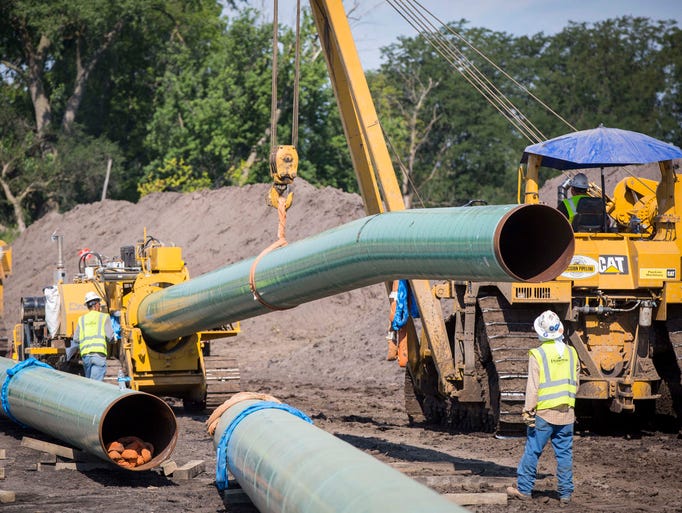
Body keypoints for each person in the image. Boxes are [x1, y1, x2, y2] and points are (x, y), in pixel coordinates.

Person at [507, 310, 580, 507]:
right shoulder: (572, 353)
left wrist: (528, 410)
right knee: (564, 454)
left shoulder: (537, 354)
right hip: (567, 413)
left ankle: (523, 489)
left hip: (544, 413)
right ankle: (565, 494)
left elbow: (533, 387)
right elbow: (576, 383)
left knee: (532, 451)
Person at [71, 291, 115, 381]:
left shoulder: (81, 319)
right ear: (96, 305)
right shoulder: (104, 317)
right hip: (98, 354)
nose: (100, 306)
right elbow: (110, 337)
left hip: (86, 357)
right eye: (99, 303)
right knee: (96, 385)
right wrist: (114, 339)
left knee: (90, 383)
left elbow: (75, 338)